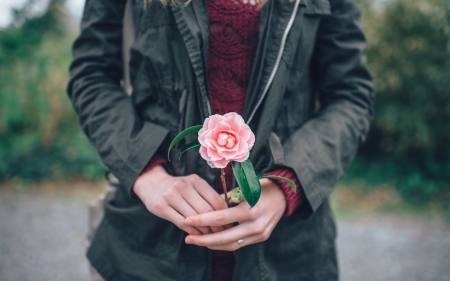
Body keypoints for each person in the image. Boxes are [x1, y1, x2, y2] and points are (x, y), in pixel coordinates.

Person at [68, 0, 374, 279]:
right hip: (151, 249)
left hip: (288, 253)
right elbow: (92, 74)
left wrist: (286, 185)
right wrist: (147, 173)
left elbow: (350, 96)